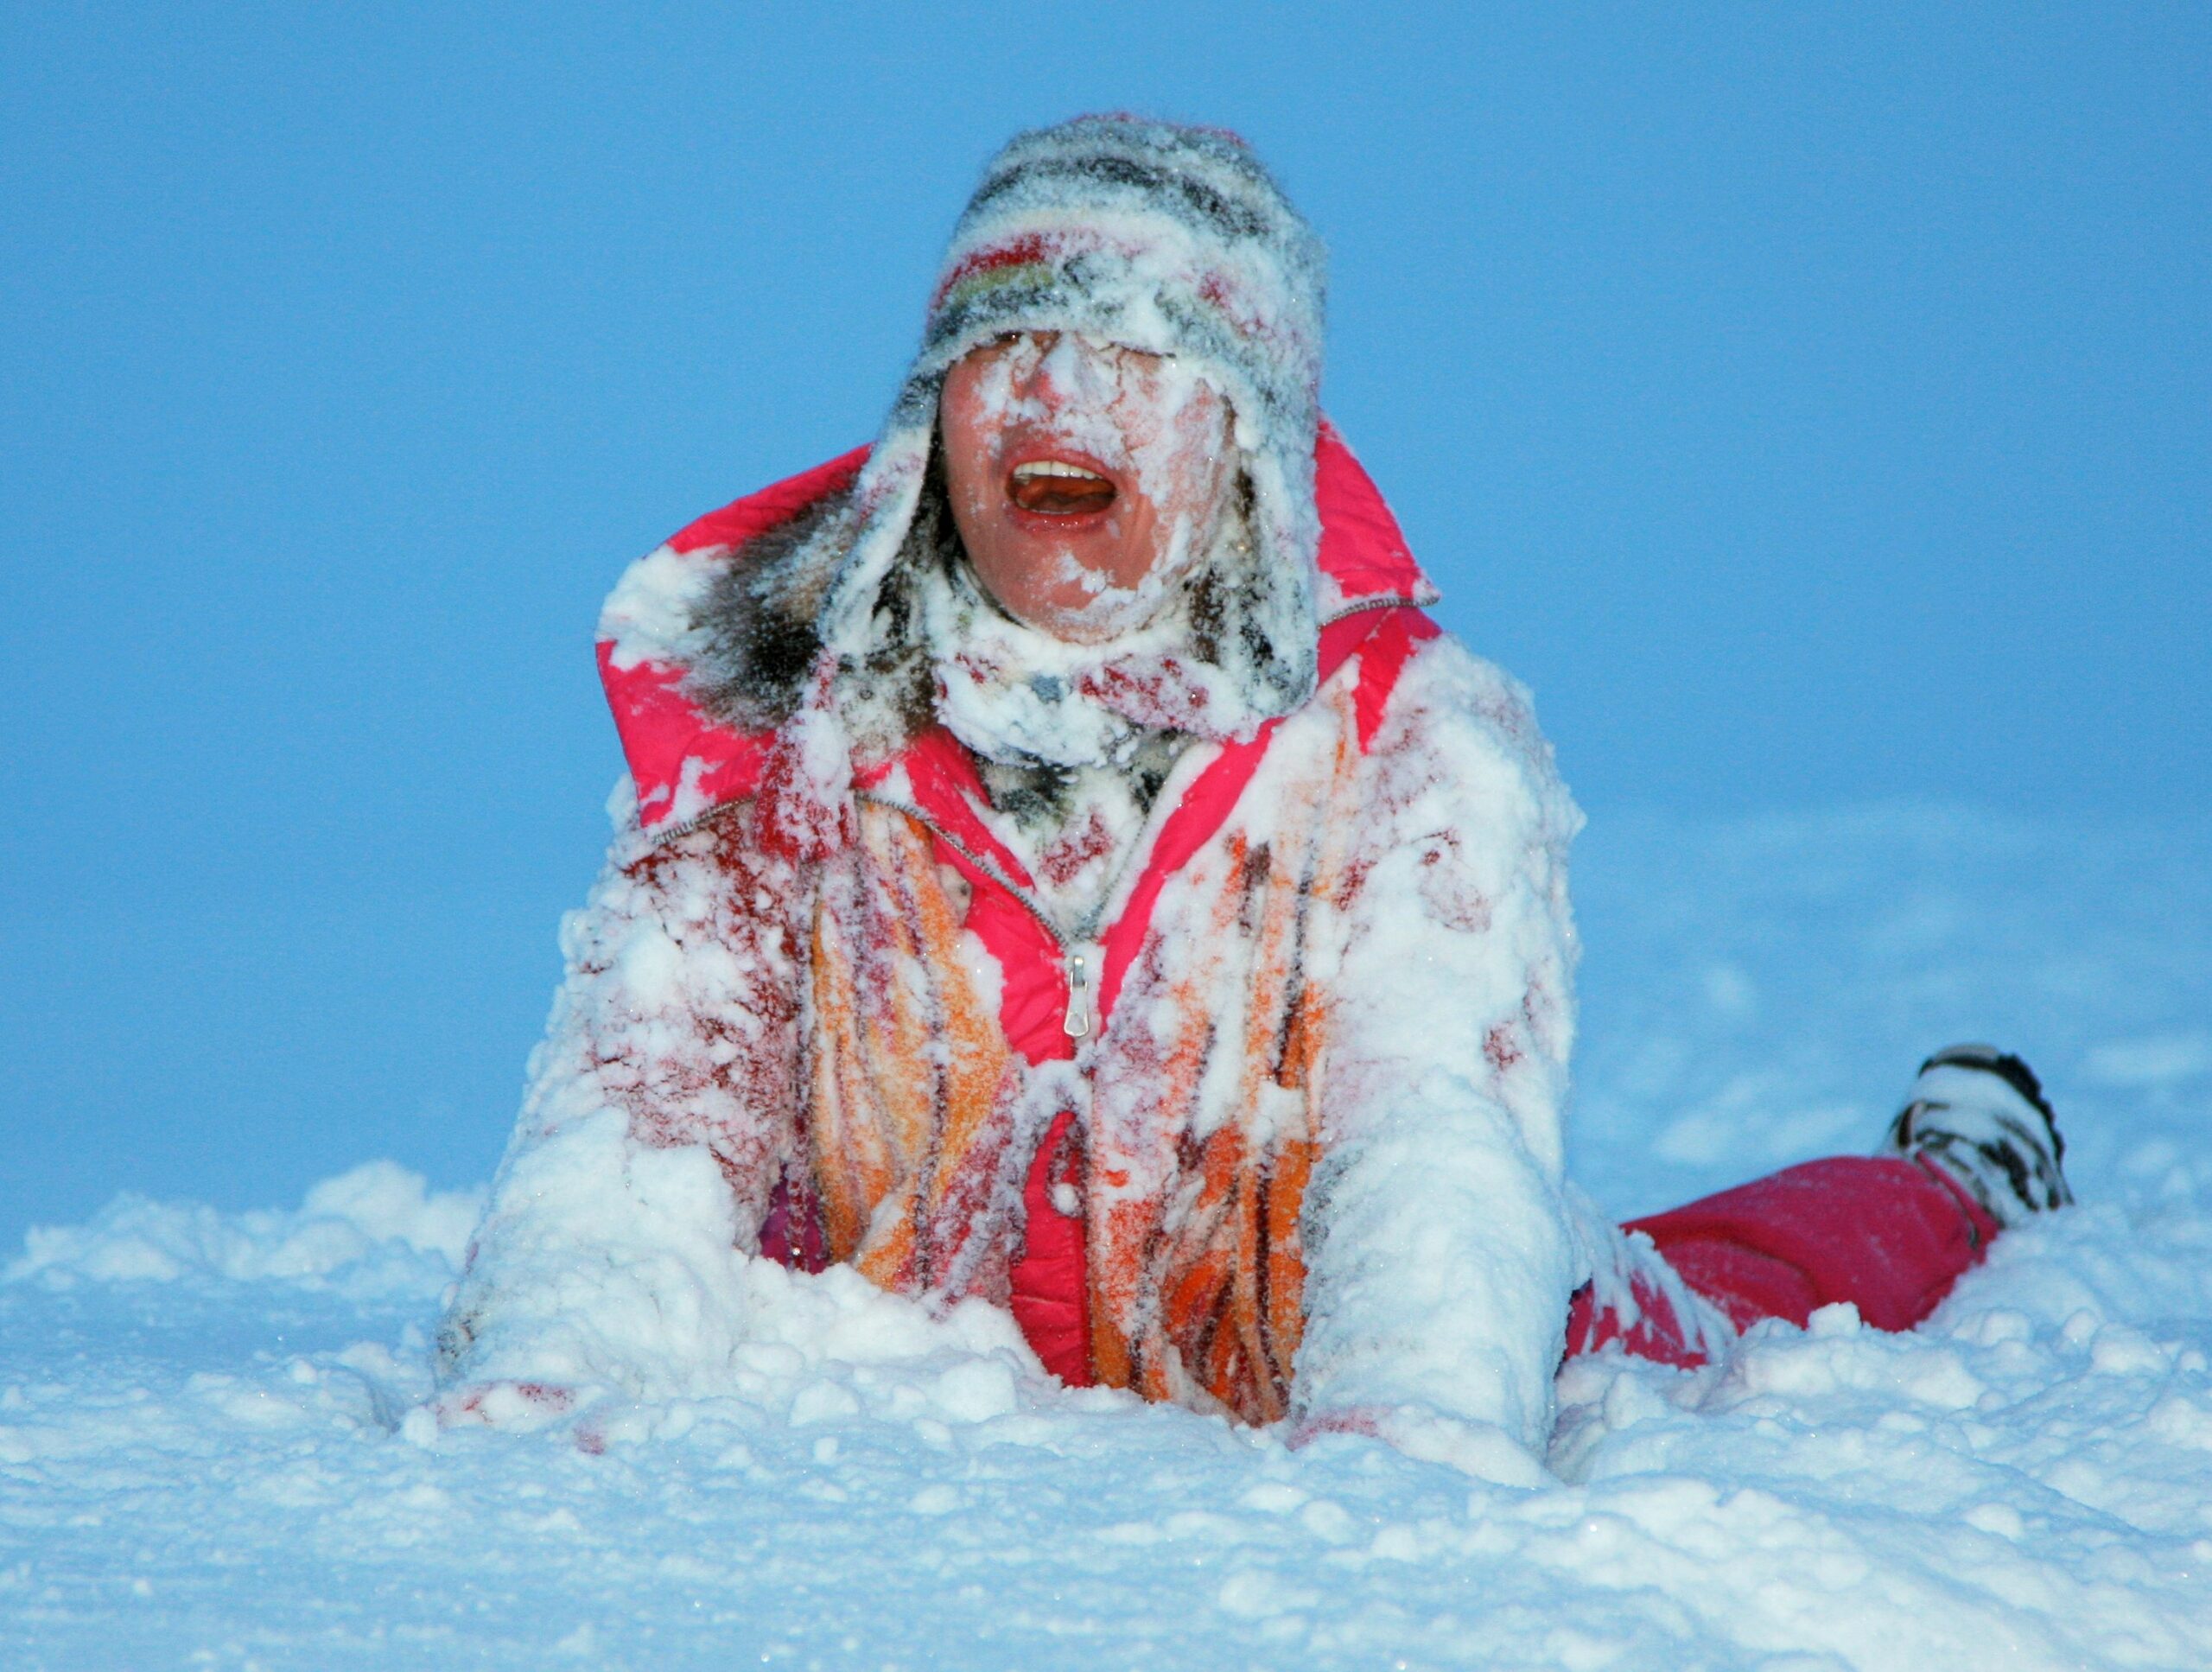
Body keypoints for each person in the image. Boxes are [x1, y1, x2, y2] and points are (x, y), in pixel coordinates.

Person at [435, 117, 2072, 1477]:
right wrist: (552, 1364)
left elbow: (1429, 1140)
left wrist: (1407, 1423)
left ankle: (1957, 1181)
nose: (1056, 394)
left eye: (1137, 351)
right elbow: (642, 1122)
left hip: (1384, 1307)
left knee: (1733, 1298)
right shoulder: (787, 743)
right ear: (930, 420)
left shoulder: (1411, 746)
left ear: (1245, 440)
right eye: (999, 346)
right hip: (950, 1341)